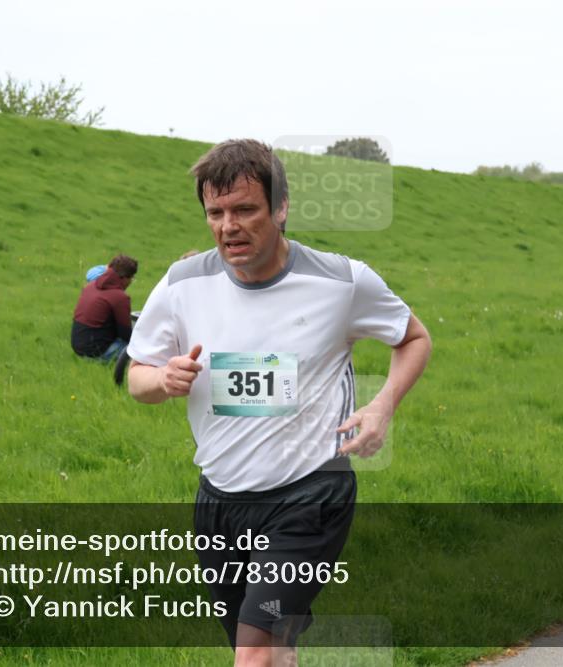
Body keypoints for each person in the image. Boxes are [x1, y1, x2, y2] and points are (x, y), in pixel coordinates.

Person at [126, 140, 431, 665]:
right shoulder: (182, 284)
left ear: (281, 207)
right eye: (215, 213)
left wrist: (382, 407)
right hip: (219, 499)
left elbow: (414, 337)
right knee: (274, 651)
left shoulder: (340, 281)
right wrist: (164, 379)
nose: (229, 226)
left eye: (245, 209)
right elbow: (137, 377)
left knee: (253, 655)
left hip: (310, 496)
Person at [71, 254, 138, 362]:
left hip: (78, 349)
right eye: (132, 278)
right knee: (139, 348)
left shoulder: (90, 286)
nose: (131, 282)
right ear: (124, 278)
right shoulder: (120, 297)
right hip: (97, 354)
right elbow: (126, 335)